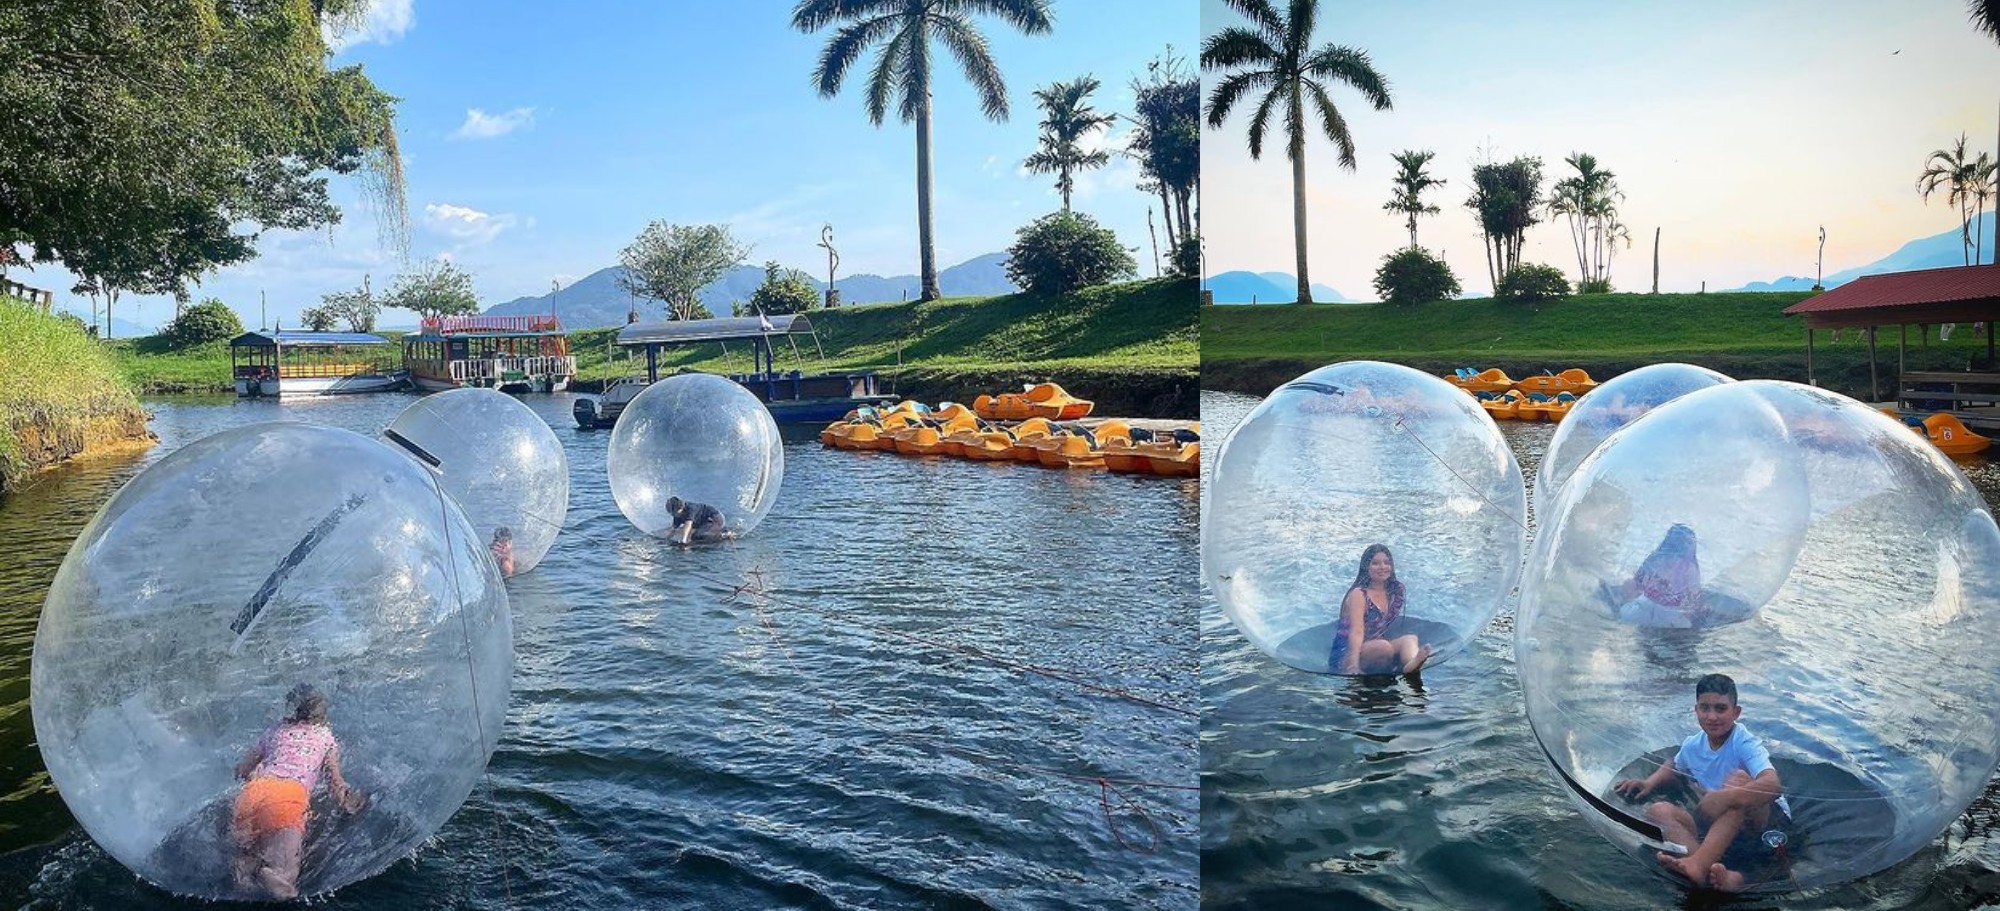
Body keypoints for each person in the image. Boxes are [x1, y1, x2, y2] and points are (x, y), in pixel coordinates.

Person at [1613, 673, 1789, 892]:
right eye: (1705, 708)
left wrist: (1724, 797)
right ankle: (1712, 871)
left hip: (1761, 823)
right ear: (1696, 710)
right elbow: (1675, 765)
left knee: (1739, 781)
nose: (1712, 716)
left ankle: (1704, 866)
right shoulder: (1693, 745)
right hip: (1718, 823)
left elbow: (1773, 785)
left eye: (1721, 708)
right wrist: (1649, 782)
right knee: (1659, 811)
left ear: (1736, 712)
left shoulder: (1744, 743)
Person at [230, 684, 366, 901]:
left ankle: (247, 869)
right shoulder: (326, 738)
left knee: (248, 855)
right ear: (323, 714)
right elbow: (335, 784)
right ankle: (261, 872)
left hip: (253, 791)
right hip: (287, 797)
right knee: (285, 882)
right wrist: (352, 801)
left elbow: (242, 770)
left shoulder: (275, 732)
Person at [1328, 544, 1431, 675]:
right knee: (1383, 647)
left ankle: (1412, 664)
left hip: (1375, 645)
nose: (1382, 567)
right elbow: (1357, 632)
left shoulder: (1393, 591)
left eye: (1387, 563)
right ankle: (1356, 663)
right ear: (1366, 567)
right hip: (1348, 653)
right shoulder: (1359, 594)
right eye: (1375, 563)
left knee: (1410, 639)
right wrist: (1352, 666)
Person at [1601, 523, 1707, 627]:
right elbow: (1693, 596)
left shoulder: (1656, 557)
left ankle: (1619, 602)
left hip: (1643, 609)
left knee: (1630, 597)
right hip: (1669, 616)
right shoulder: (1689, 567)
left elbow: (1637, 580)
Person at [665, 496, 731, 545]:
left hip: (715, 519)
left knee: (696, 536)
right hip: (704, 522)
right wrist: (666, 539)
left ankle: (723, 534)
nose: (672, 514)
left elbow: (688, 524)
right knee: (695, 535)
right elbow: (673, 529)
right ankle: (715, 530)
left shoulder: (691, 509)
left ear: (681, 508)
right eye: (671, 513)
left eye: (673, 512)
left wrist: (684, 540)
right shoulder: (677, 515)